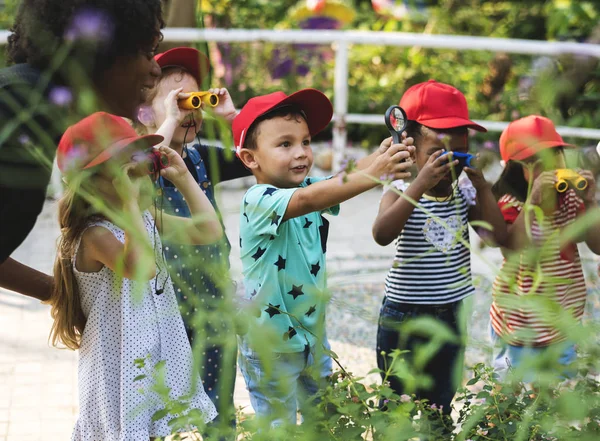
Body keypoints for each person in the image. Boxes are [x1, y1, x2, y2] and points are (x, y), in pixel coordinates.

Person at [233, 88, 414, 427]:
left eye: (305, 141)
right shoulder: (258, 199)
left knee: (325, 421)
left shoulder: (308, 186)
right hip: (270, 343)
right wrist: (378, 172)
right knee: (279, 429)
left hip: (312, 339)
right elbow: (311, 199)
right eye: (285, 144)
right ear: (250, 158)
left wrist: (382, 156)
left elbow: (339, 180)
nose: (301, 153)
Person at [49, 112, 222, 440]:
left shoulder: (142, 218)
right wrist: (130, 201)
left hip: (153, 355)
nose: (136, 177)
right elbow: (143, 269)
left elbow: (208, 230)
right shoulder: (94, 235)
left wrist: (183, 177)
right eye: (121, 171)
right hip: (118, 368)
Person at [0, 0, 164, 302]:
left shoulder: (31, 101)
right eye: (146, 52)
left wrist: (62, 296)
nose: (155, 69)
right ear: (103, 51)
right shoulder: (21, 112)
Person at [371, 80, 507, 414]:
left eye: (458, 156)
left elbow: (494, 238)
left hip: (451, 312)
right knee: (396, 402)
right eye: (437, 155)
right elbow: (382, 233)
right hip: (404, 312)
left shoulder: (465, 190)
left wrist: (484, 189)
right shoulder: (401, 185)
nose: (448, 165)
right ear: (409, 146)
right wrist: (419, 184)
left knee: (440, 403)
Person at [136, 46, 251, 436]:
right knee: (155, 414)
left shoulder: (201, 156)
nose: (190, 109)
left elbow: (254, 156)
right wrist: (169, 119)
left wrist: (230, 117)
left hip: (212, 301)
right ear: (144, 111)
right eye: (178, 100)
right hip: (161, 307)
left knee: (220, 415)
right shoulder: (134, 157)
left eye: (195, 99)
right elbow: (145, 167)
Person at [490, 115, 600, 380]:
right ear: (515, 170)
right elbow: (512, 250)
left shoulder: (571, 199)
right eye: (537, 164)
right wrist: (533, 202)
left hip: (562, 325)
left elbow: (597, 246)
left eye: (555, 157)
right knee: (510, 398)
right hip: (517, 326)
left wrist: (591, 201)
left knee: (557, 401)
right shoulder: (510, 204)